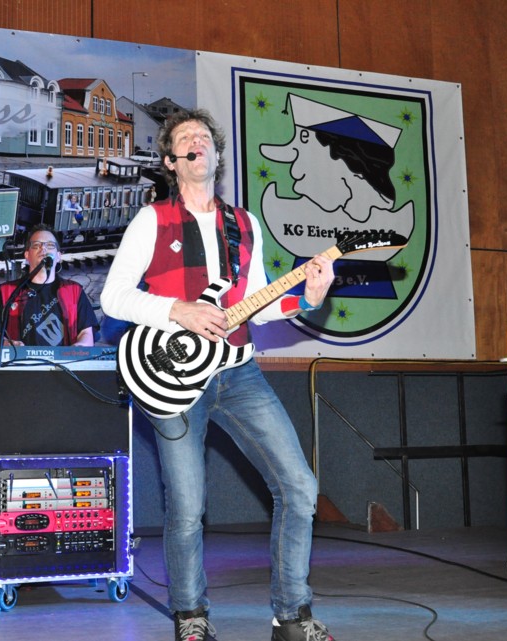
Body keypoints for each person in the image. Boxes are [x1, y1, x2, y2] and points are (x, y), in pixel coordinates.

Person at [100, 109, 336, 641]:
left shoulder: (244, 223)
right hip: (173, 379)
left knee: (300, 487)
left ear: (215, 154)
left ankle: (292, 617)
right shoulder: (152, 220)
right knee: (188, 506)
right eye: (186, 137)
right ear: (171, 161)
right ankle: (191, 616)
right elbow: (113, 297)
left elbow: (258, 304)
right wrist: (177, 310)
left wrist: (307, 297)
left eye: (204, 136)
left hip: (238, 373)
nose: (197, 142)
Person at [0, 224, 98, 346]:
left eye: (50, 245)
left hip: (64, 359)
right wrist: (9, 346)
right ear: (27, 255)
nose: (43, 249)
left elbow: (86, 334)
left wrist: (79, 347)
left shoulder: (74, 291)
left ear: (58, 256)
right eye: (36, 245)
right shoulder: (6, 292)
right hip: (18, 358)